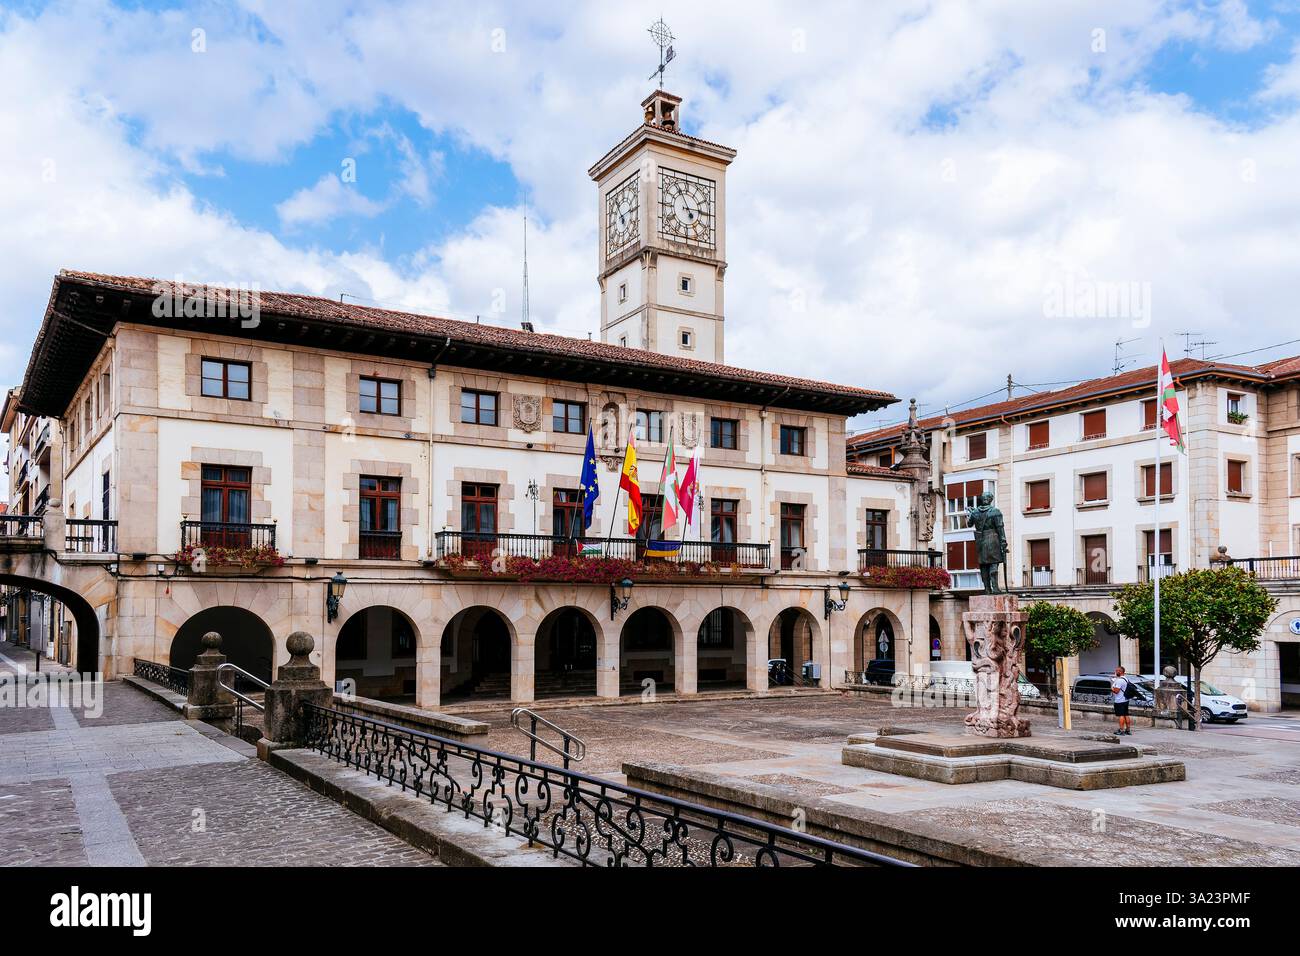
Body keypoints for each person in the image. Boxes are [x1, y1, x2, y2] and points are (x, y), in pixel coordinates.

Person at [1111, 666, 1133, 735]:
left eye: (1116, 671)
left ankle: (1121, 730)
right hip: (1125, 699)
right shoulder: (1125, 679)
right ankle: (1128, 730)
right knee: (1126, 714)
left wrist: (1112, 688)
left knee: (1121, 715)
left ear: (1120, 672)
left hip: (1120, 700)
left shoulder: (1120, 680)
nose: (1115, 672)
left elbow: (1116, 691)